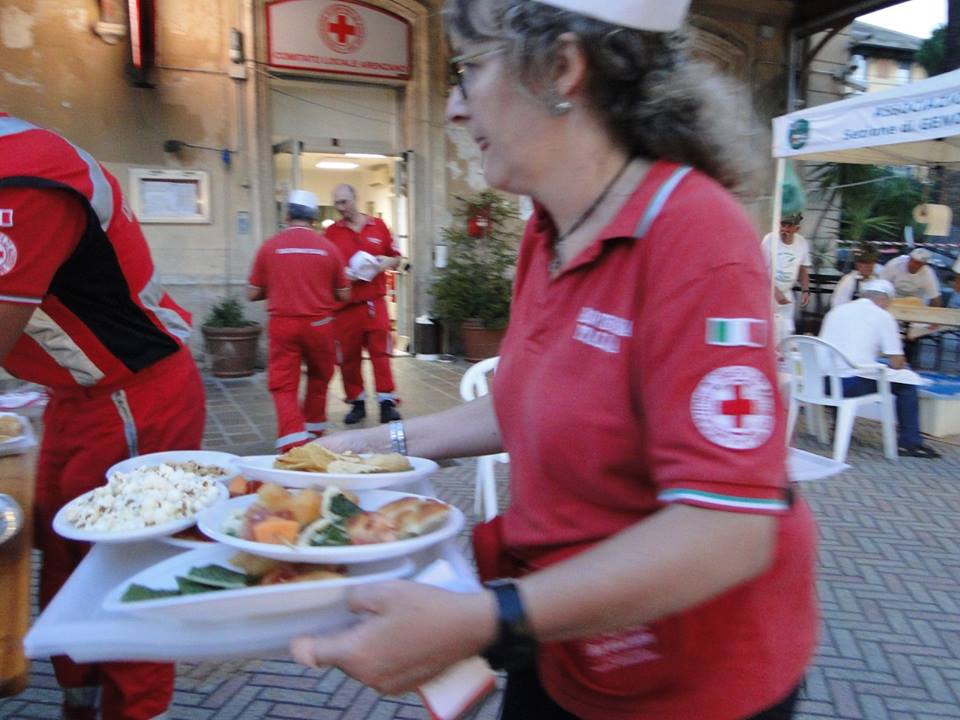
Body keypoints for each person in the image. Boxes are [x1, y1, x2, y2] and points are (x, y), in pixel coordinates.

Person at [290, 3, 818, 719]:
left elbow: (729, 530)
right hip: (564, 639)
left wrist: (485, 619)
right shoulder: (548, 230)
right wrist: (361, 450)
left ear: (563, 69)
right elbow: (523, 401)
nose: (452, 107)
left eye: (470, 69)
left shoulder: (696, 236)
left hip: (690, 686)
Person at [0, 113, 205, 719]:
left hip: (133, 395)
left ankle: (134, 710)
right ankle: (80, 703)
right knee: (64, 558)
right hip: (77, 394)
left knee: (128, 575)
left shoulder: (23, 180)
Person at [247, 189, 351, 451]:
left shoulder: (270, 247)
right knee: (320, 376)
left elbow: (252, 292)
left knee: (283, 384)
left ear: (287, 214)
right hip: (320, 324)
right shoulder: (329, 248)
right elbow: (344, 293)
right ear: (314, 218)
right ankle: (315, 432)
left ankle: (293, 444)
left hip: (283, 324)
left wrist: (279, 286)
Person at [819, 278, 940, 459]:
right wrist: (898, 362)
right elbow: (896, 362)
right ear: (885, 300)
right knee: (906, 383)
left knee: (843, 368)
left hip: (822, 382)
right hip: (848, 385)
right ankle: (910, 441)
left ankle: (839, 427)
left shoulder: (837, 311)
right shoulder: (882, 316)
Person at [324, 184, 403, 425]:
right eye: (337, 203)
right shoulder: (332, 234)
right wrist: (345, 276)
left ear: (355, 199)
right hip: (346, 307)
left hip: (374, 303)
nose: (341, 208)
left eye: (345, 202)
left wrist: (385, 262)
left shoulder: (378, 227)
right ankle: (356, 402)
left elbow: (397, 259)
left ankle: (386, 402)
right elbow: (327, 271)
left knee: (381, 353)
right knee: (348, 357)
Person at [761, 212, 811, 340]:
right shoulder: (769, 240)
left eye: (789, 226)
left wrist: (805, 290)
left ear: (797, 228)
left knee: (786, 331)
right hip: (768, 292)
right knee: (769, 331)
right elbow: (760, 269)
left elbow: (803, 268)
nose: (785, 229)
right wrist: (775, 291)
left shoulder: (802, 242)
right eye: (783, 225)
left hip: (787, 293)